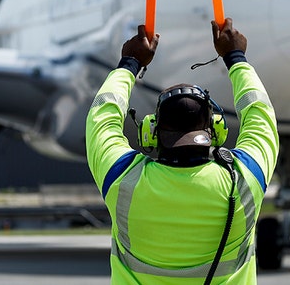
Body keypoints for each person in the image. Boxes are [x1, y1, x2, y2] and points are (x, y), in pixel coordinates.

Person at [86, 18, 279, 284]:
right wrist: (236, 58)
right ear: (216, 130)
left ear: (150, 131)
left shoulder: (124, 182)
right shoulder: (243, 181)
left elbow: (102, 116)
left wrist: (129, 63)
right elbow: (260, 113)